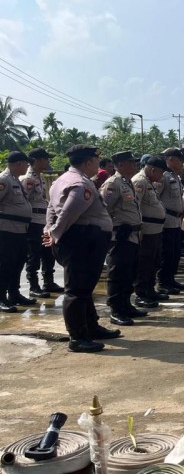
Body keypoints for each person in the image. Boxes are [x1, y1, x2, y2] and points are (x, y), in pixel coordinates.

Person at [44, 145, 116, 353]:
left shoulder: (61, 180)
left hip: (81, 239)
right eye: (96, 160)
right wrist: (55, 232)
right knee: (77, 290)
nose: (98, 164)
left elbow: (51, 208)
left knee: (84, 288)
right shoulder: (79, 183)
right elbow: (69, 212)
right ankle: (77, 337)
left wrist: (50, 229)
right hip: (82, 240)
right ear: (87, 162)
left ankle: (90, 327)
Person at [101, 150, 145, 325]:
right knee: (117, 273)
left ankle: (126, 305)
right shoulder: (113, 184)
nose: (134, 165)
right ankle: (116, 309)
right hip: (120, 237)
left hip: (133, 236)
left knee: (129, 272)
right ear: (120, 165)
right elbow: (103, 211)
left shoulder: (127, 182)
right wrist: (115, 228)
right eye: (130, 162)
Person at [21, 147, 63, 298]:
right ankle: (33, 285)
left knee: (48, 252)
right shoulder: (28, 179)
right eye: (46, 159)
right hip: (34, 222)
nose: (48, 162)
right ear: (37, 161)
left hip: (44, 222)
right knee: (34, 254)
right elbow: (24, 201)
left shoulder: (40, 177)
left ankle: (48, 282)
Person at [0, 151, 34, 311]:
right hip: (7, 230)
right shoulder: (4, 180)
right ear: (18, 163)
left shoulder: (15, 180)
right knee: (5, 264)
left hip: (20, 229)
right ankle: (1, 298)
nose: (28, 166)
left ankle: (14, 293)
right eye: (26, 163)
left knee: (18, 262)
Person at [132, 155, 168, 306]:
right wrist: (139, 228)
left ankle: (150, 290)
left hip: (155, 230)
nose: (162, 176)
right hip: (146, 231)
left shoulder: (148, 181)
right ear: (153, 170)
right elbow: (135, 206)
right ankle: (141, 294)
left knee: (154, 262)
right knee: (144, 263)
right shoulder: (139, 181)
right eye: (161, 172)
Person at [157, 147, 184, 294]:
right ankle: (163, 282)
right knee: (167, 253)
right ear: (170, 160)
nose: (182, 163)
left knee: (175, 253)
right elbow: (155, 198)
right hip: (167, 221)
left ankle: (171, 279)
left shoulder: (175, 176)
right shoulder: (162, 176)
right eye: (180, 160)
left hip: (176, 221)